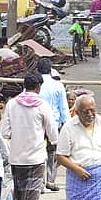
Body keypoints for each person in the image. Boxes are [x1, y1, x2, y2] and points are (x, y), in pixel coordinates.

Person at [1, 73, 59, 200]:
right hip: (36, 158)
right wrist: (53, 142)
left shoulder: (12, 104)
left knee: (20, 196)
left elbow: (5, 131)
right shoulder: (42, 105)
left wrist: (18, 134)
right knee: (32, 198)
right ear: (39, 87)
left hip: (17, 157)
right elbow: (53, 133)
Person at [37, 58, 70, 192]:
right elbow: (63, 107)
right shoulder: (58, 85)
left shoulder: (36, 84)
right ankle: (51, 180)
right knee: (53, 151)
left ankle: (40, 182)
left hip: (37, 123)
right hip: (54, 122)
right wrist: (66, 123)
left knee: (38, 151)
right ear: (50, 70)